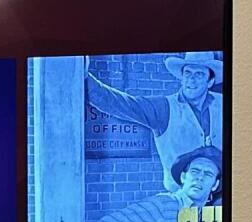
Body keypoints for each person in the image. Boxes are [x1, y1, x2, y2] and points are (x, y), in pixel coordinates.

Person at [86, 52, 223, 194]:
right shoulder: (163, 108)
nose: (191, 80)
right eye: (187, 73)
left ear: (210, 81)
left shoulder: (224, 103)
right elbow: (116, 102)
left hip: (222, 200)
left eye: (199, 74)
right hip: (180, 203)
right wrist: (83, 75)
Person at [94, 145, 222, 222]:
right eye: (195, 171)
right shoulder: (164, 205)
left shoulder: (207, 217)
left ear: (215, 185)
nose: (199, 178)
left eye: (208, 174)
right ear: (183, 177)